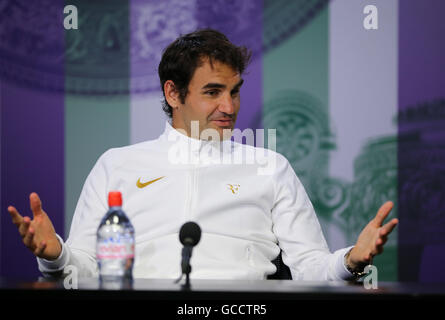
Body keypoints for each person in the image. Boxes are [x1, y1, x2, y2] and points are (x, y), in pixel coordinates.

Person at [7, 29, 398, 280]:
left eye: (235, 91)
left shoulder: (270, 167)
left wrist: (350, 259)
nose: (229, 106)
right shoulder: (117, 165)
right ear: (173, 93)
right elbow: (86, 270)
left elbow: (311, 268)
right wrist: (56, 254)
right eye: (213, 92)